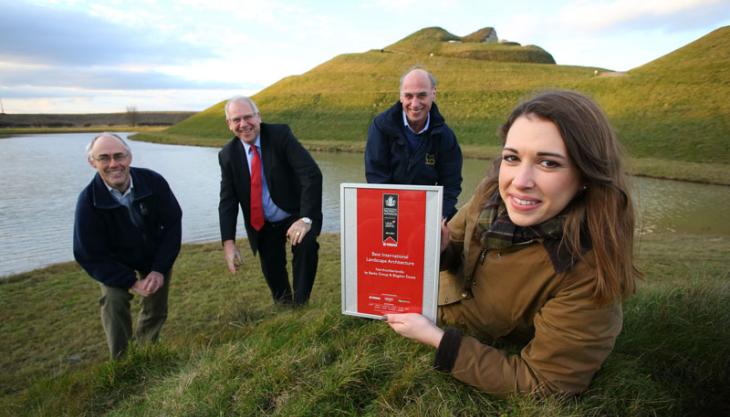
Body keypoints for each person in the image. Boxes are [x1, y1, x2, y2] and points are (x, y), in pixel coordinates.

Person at [385, 90, 639, 396]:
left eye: (548, 163)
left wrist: (436, 339)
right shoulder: (489, 195)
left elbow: (547, 383)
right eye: (512, 157)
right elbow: (457, 250)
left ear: (587, 173)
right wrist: (441, 249)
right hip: (439, 310)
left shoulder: (587, 272)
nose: (520, 181)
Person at [73, 133, 182, 359]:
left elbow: (172, 224)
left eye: (119, 156)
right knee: (114, 301)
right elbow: (88, 254)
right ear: (92, 162)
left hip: (152, 255)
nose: (114, 164)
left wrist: (159, 269)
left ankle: (144, 353)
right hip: (114, 262)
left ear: (129, 157)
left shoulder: (153, 181)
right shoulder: (88, 201)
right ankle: (122, 363)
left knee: (156, 305)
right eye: (104, 158)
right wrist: (130, 281)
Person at [218, 96, 323, 305]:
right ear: (229, 124)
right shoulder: (227, 155)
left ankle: (302, 305)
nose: (243, 124)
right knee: (274, 274)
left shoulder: (280, 135)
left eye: (248, 117)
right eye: (236, 119)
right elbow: (228, 201)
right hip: (262, 222)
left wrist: (305, 218)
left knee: (306, 246)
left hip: (293, 214)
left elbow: (310, 174)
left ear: (258, 117)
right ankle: (285, 310)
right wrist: (228, 243)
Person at [365, 66, 463, 219]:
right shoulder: (381, 127)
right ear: (401, 97)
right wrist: (396, 216)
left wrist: (439, 216)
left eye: (422, 95)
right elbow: (376, 178)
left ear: (433, 94)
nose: (415, 104)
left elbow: (451, 184)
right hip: (390, 207)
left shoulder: (445, 136)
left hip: (428, 209)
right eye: (409, 96)